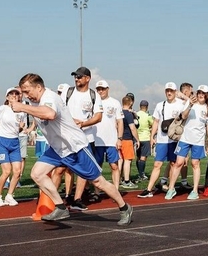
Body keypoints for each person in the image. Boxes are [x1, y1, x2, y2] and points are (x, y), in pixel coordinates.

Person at [13, 73, 133, 224]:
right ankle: (60, 207)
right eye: (23, 92)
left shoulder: (49, 97)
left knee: (98, 181)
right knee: (37, 174)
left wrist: (22, 107)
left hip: (74, 148)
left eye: (27, 91)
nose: (26, 95)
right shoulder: (34, 101)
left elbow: (49, 114)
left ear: (38, 87)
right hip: (57, 149)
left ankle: (124, 208)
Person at [64, 67, 103, 211]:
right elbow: (60, 110)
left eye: (79, 77)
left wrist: (82, 124)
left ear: (87, 78)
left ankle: (77, 199)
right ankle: (59, 198)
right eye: (75, 76)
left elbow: (98, 117)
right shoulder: (68, 92)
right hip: (67, 137)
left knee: (84, 169)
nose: (76, 79)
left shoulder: (94, 95)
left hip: (86, 138)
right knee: (60, 168)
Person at [164, 85, 208, 200]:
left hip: (198, 140)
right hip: (185, 138)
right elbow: (183, 116)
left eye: (203, 93)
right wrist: (190, 104)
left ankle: (195, 190)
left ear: (207, 95)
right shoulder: (190, 103)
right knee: (179, 163)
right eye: (199, 92)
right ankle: (171, 188)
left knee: (195, 163)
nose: (201, 95)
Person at [138, 82, 184, 198]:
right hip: (162, 139)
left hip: (174, 139)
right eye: (167, 91)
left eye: (171, 91)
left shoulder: (181, 104)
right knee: (157, 164)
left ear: (175, 91)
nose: (169, 93)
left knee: (174, 163)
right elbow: (156, 122)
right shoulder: (160, 105)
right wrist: (152, 136)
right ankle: (149, 189)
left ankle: (171, 187)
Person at [0, 87, 24, 207]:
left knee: (17, 172)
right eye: (11, 94)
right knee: (7, 171)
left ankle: (10, 195)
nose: (14, 95)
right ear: (7, 97)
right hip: (2, 141)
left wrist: (21, 128)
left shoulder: (21, 112)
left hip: (15, 142)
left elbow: (17, 129)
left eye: (16, 94)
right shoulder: (2, 109)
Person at [92, 80, 123, 195]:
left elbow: (120, 122)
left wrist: (119, 138)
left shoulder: (115, 103)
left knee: (114, 165)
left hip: (111, 140)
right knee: (96, 167)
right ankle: (97, 192)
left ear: (107, 89)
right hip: (96, 140)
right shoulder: (93, 102)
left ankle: (116, 191)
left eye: (103, 89)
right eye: (98, 89)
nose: (101, 91)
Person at [119, 95, 140, 189]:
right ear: (131, 103)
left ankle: (118, 179)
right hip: (127, 138)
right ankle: (126, 181)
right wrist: (137, 139)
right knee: (127, 160)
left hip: (119, 138)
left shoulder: (119, 113)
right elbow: (133, 128)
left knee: (120, 160)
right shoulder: (128, 114)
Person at [135, 100, 154, 181]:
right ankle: (141, 174)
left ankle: (140, 173)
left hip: (137, 138)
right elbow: (153, 124)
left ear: (140, 106)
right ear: (147, 107)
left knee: (138, 157)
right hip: (145, 138)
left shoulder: (136, 114)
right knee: (143, 157)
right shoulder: (148, 115)